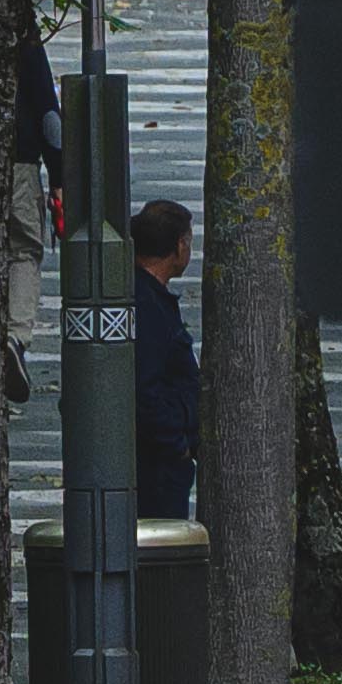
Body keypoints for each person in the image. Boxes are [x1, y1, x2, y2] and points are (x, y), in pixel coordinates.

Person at [120, 198, 205, 526]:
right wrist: (176, 443)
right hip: (159, 463)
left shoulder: (145, 296)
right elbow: (145, 388)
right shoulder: (149, 306)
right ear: (179, 246)